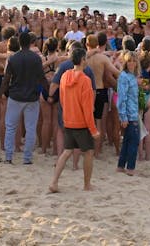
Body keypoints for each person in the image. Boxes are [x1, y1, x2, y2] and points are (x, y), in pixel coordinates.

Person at [49, 47, 99, 193]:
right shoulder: (85, 80)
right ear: (83, 60)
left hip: (68, 120)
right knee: (88, 152)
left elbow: (62, 100)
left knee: (66, 152)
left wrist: (66, 117)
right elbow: (87, 108)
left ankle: (54, 182)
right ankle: (87, 185)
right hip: (82, 123)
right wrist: (93, 129)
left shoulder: (64, 76)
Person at [2, 31, 46, 165]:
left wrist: (3, 92)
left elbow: (7, 78)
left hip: (15, 95)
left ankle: (9, 157)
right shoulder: (36, 58)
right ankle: (27, 158)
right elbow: (41, 78)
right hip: (32, 96)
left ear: (20, 43)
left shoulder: (13, 58)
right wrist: (48, 92)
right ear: (31, 42)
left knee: (10, 127)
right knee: (31, 128)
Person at [115, 50, 140, 175]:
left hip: (134, 112)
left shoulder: (132, 76)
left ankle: (121, 165)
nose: (132, 63)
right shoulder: (124, 76)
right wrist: (123, 117)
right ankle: (130, 167)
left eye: (134, 61)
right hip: (129, 114)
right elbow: (122, 98)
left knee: (127, 140)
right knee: (133, 141)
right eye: (129, 61)